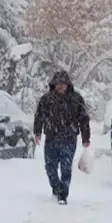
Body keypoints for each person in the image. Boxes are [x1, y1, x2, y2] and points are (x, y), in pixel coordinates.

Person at [33, 70, 91, 204]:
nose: (60, 86)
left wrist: (85, 138)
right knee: (50, 167)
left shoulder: (76, 99)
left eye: (63, 84)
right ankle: (56, 187)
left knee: (66, 167)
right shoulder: (46, 99)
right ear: (53, 84)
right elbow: (39, 116)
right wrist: (37, 132)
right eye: (57, 83)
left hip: (69, 138)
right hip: (51, 138)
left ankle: (63, 195)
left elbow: (84, 119)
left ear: (67, 85)